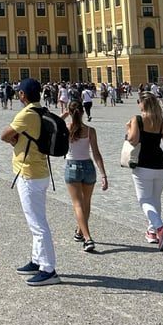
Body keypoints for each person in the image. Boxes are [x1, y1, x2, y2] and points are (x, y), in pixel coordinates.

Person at [0, 77, 59, 285]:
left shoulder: (26, 114)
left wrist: (13, 139)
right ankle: (37, 260)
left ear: (22, 95)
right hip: (38, 170)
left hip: (29, 173)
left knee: (38, 223)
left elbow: (4, 134)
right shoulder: (41, 111)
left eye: (19, 92)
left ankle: (49, 268)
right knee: (35, 219)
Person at [126, 93, 163, 250]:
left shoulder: (137, 119)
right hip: (161, 165)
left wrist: (129, 129)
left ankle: (160, 228)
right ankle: (151, 232)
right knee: (155, 199)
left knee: (144, 200)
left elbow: (132, 140)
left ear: (142, 104)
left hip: (143, 164)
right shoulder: (162, 123)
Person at [62, 102, 108, 252]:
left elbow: (52, 124)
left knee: (77, 204)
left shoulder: (67, 128)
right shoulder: (90, 131)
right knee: (86, 202)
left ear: (70, 112)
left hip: (72, 167)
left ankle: (87, 238)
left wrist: (64, 115)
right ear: (82, 112)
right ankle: (79, 231)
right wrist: (103, 174)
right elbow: (96, 153)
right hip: (88, 167)